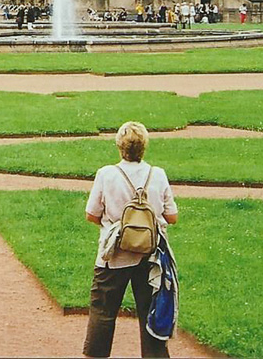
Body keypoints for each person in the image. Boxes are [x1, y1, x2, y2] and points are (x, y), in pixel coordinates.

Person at [83, 121, 178, 358]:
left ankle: (96, 355)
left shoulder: (106, 174)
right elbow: (172, 216)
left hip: (112, 257)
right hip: (150, 257)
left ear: (119, 146)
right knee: (150, 312)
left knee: (103, 311)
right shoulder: (158, 174)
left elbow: (91, 214)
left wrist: (114, 226)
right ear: (144, 147)